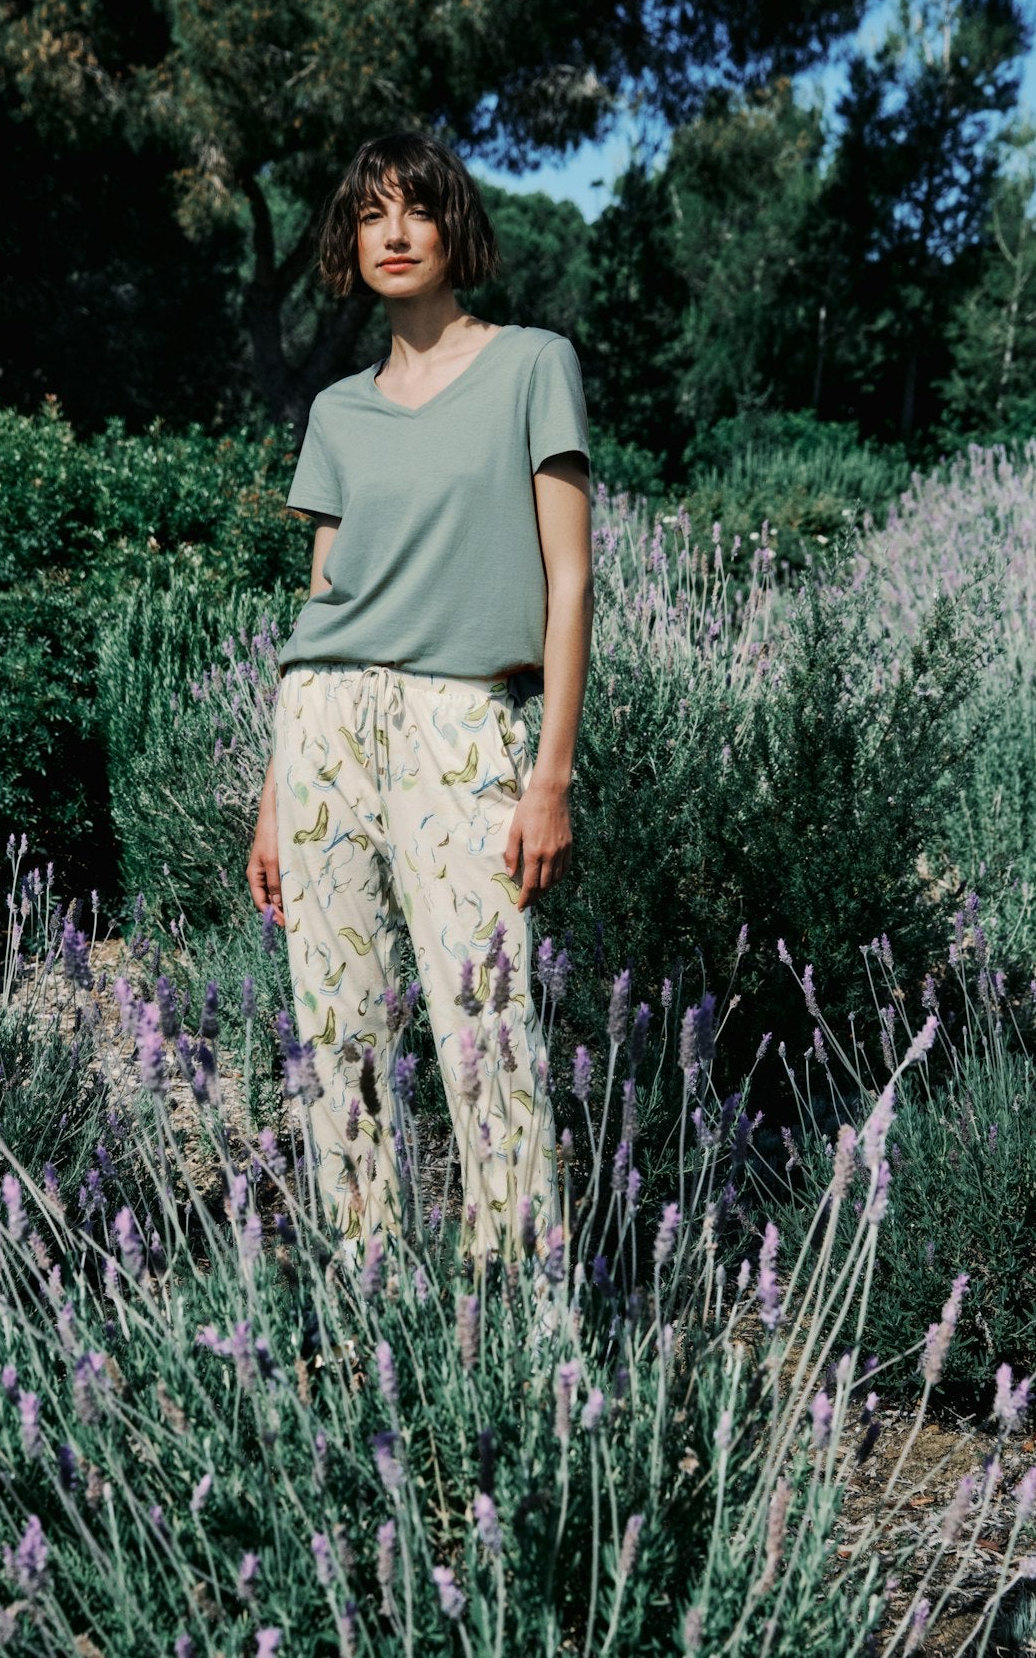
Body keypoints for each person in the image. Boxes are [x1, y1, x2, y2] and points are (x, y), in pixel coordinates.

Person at [246, 130, 593, 1265]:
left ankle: (525, 1329)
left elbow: (571, 579)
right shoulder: (340, 412)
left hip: (462, 726)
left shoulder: (533, 364)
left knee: (485, 1029)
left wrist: (549, 776)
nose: (393, 235)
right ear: (350, 242)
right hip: (323, 730)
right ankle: (369, 1310)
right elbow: (321, 600)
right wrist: (271, 791)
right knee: (337, 1030)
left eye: (417, 211)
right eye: (369, 215)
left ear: (455, 230)